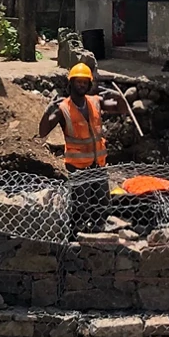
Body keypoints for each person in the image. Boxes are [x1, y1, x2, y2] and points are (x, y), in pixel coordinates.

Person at [39, 62, 125, 230]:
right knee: (81, 204)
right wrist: (46, 112)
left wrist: (119, 96)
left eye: (85, 82)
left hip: (98, 163)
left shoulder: (95, 102)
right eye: (78, 81)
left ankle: (99, 233)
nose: (81, 85)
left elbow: (120, 109)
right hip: (77, 166)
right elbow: (43, 132)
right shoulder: (63, 109)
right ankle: (78, 233)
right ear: (71, 83)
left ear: (89, 84)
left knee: (102, 202)